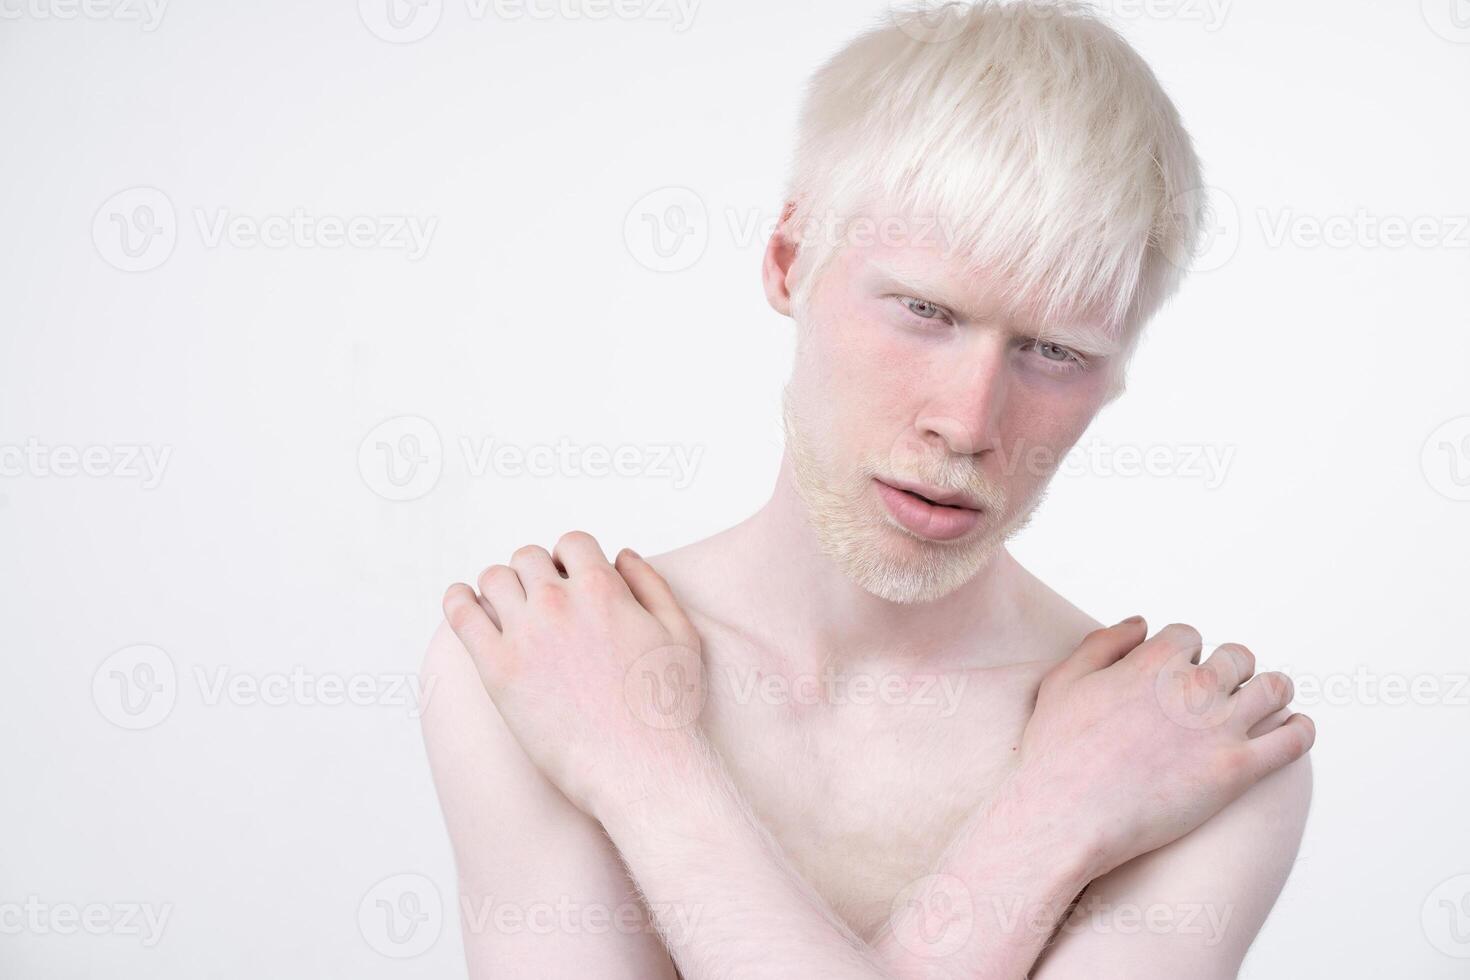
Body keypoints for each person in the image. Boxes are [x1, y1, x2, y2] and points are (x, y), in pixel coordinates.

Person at [421, 3, 1315, 976]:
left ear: (1121, 369)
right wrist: (1048, 831)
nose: (968, 424)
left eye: (1054, 351)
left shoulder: (1199, 754)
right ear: (788, 260)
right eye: (924, 312)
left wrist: (641, 770)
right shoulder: (537, 660)